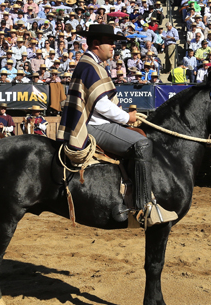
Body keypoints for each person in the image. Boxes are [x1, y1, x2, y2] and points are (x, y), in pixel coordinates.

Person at [56, 24, 177, 228]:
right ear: (96, 44)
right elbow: (101, 104)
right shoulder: (90, 66)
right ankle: (142, 207)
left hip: (96, 122)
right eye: (109, 42)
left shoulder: (90, 64)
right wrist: (126, 118)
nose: (113, 47)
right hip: (94, 126)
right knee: (142, 144)